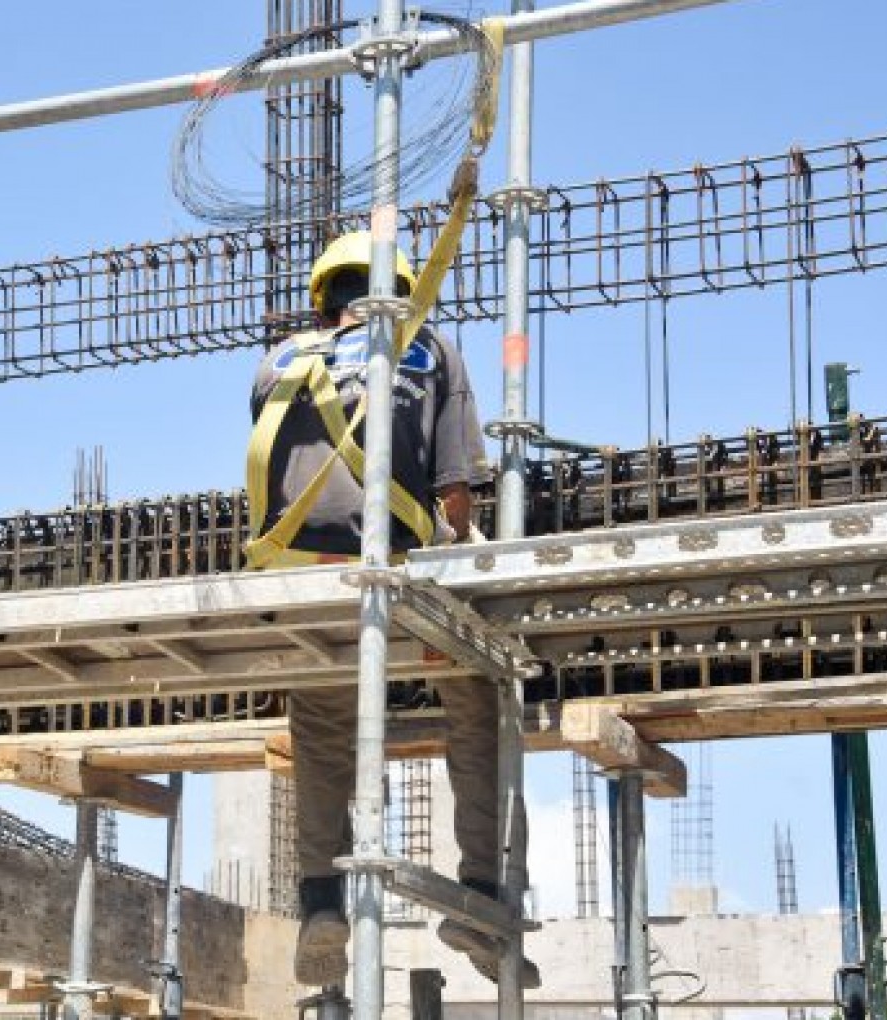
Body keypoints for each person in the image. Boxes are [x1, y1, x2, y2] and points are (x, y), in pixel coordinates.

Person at [245, 230, 535, 988]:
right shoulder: (430, 348)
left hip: (305, 584)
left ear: (323, 297)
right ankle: (480, 894)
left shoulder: (277, 362)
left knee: (321, 730)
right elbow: (458, 497)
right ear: (403, 291)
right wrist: (466, 581)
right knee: (481, 696)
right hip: (396, 576)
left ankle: (321, 904)